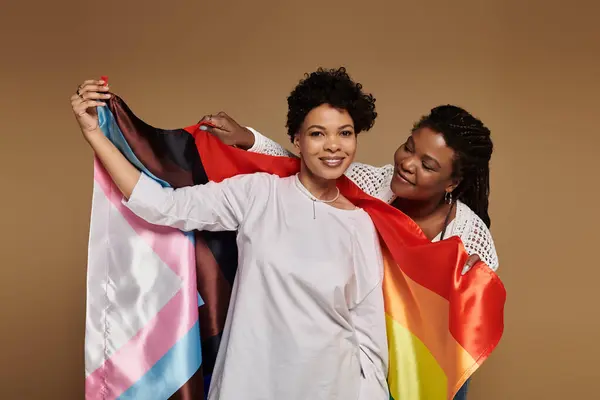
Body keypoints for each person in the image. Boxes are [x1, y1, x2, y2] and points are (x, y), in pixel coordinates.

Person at [70, 68, 389, 400]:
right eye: (318, 134)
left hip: (335, 386)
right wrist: (95, 133)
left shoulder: (360, 224)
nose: (333, 146)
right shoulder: (259, 194)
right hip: (251, 380)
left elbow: (369, 334)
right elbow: (163, 206)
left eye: (345, 133)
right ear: (297, 139)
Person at [197, 104, 499, 399]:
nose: (408, 163)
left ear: (452, 182)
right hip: (362, 349)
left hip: (417, 361)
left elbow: (467, 328)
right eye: (408, 147)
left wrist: (472, 288)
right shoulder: (369, 183)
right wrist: (249, 139)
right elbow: (300, 166)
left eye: (428, 165)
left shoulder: (469, 236)